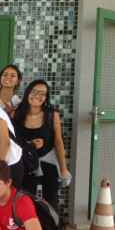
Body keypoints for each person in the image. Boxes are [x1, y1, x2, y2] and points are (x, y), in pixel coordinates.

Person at [13, 80, 72, 211]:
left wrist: (63, 169)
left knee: (50, 201)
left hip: (48, 162)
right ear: (28, 92)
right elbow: (12, 141)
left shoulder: (52, 115)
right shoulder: (16, 113)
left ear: (46, 97)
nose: (37, 96)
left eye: (42, 93)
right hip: (25, 164)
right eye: (34, 91)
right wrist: (29, 146)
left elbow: (58, 142)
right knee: (26, 200)